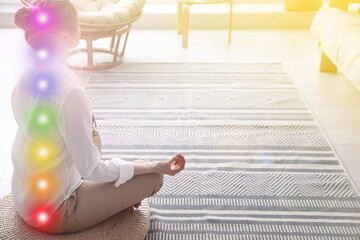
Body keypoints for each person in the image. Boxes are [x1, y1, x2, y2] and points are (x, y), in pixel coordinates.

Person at [12, 0, 186, 233]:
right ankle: (115, 197)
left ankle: (112, 193)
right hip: (56, 210)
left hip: (25, 197)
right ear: (66, 34)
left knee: (98, 138)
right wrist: (157, 166)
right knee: (152, 176)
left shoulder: (25, 78)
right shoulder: (70, 94)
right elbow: (91, 170)